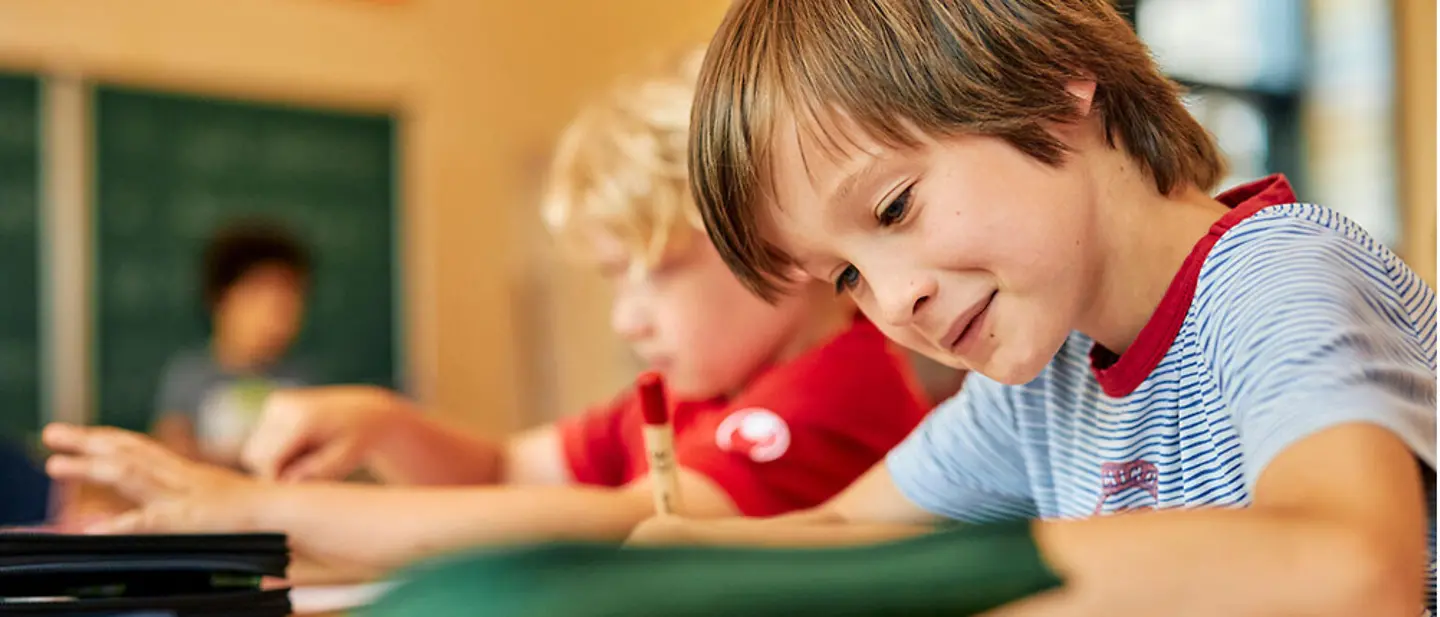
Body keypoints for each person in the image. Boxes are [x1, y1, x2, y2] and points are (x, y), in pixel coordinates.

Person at [626, 1, 1438, 616]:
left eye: (895, 208)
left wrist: (990, 574)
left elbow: (1354, 569)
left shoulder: (1276, 275)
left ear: (1051, 83)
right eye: (845, 277)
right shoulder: (1041, 386)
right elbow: (843, 532)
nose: (895, 299)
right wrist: (694, 551)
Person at [42, 47, 930, 575]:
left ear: (778, 238)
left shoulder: (837, 384)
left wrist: (260, 508)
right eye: (613, 282)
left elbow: (626, 520)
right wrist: (386, 424)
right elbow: (508, 468)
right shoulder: (701, 392)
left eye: (654, 272)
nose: (627, 318)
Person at [152, 220, 312, 468]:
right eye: (258, 300)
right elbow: (170, 456)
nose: (273, 320)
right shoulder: (188, 376)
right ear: (220, 300)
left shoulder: (305, 385)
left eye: (286, 305)